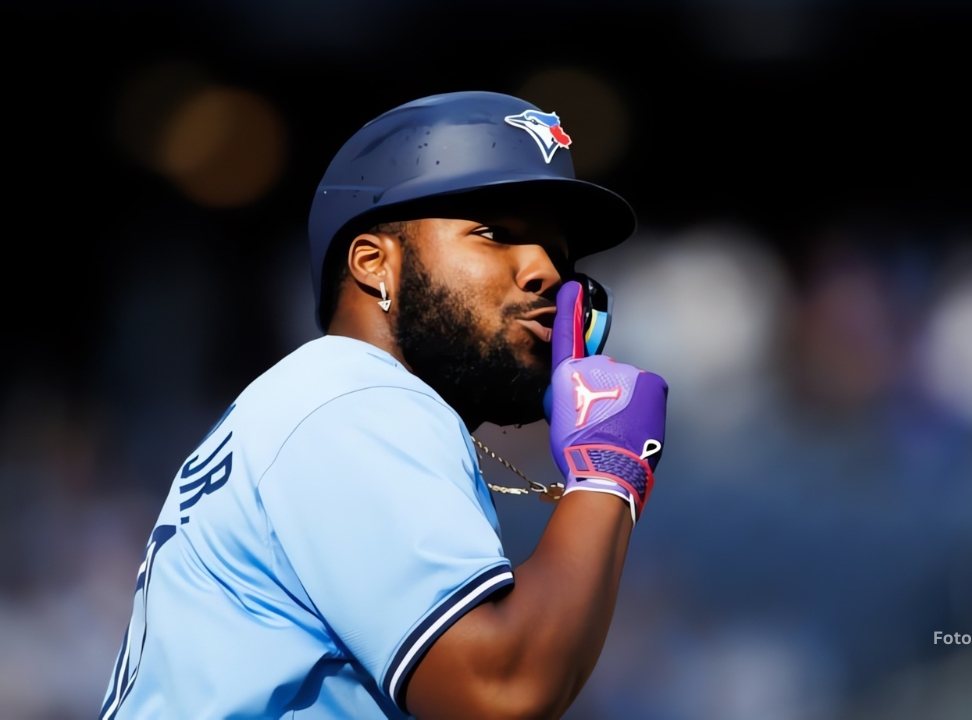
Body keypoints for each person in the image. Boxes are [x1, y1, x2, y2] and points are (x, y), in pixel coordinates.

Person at [99, 91, 669, 719]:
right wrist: (607, 476)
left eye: (559, 253)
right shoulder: (353, 395)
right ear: (374, 264)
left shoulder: (316, 403)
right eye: (496, 234)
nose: (546, 272)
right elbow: (499, 690)